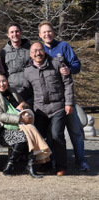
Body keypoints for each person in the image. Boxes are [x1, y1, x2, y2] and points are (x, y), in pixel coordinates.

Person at [38, 21, 89, 172]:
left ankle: (81, 161)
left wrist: (70, 70)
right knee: (53, 132)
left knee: (75, 130)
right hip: (49, 101)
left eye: (49, 31)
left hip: (66, 97)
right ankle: (53, 161)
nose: (47, 34)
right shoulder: (38, 50)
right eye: (44, 32)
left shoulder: (63, 46)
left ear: (53, 32)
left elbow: (77, 65)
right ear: (39, 35)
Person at [19, 42, 74, 176]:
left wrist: (69, 103)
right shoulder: (28, 71)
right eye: (35, 51)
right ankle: (46, 164)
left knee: (56, 135)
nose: (38, 53)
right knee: (40, 137)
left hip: (58, 107)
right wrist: (18, 101)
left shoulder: (57, 64)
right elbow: (26, 91)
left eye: (40, 50)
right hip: (40, 110)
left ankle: (61, 166)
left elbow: (68, 83)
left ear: (44, 51)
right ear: (31, 54)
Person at [0, 72, 51, 178]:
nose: (2, 84)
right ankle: (11, 164)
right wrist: (20, 118)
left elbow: (24, 106)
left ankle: (29, 166)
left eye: (4, 81)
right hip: (3, 129)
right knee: (25, 137)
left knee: (31, 134)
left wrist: (24, 104)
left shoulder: (13, 91)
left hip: (21, 126)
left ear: (7, 82)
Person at [0, 23, 31, 92]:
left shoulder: (31, 49)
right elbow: (3, 71)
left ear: (21, 33)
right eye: (12, 32)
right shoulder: (4, 51)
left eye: (17, 31)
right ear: (8, 35)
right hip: (13, 90)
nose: (15, 34)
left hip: (30, 88)